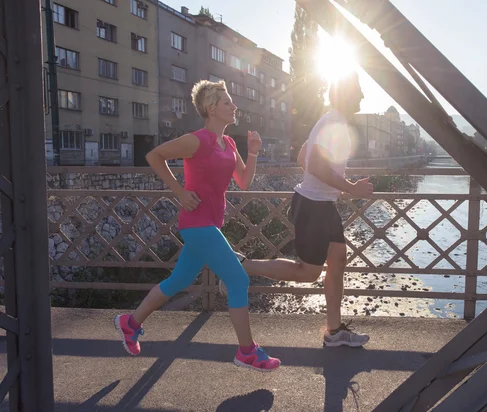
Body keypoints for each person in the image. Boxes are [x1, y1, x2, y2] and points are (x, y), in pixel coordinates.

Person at [114, 79, 280, 372]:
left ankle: (130, 322)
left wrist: (252, 151)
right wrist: (179, 191)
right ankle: (247, 352)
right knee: (238, 280)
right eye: (228, 102)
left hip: (210, 224)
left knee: (177, 282)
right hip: (197, 224)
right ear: (211, 107)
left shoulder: (228, 143)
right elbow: (154, 155)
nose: (234, 106)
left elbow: (244, 181)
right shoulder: (197, 140)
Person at [231, 71, 374, 347]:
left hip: (321, 204)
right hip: (313, 208)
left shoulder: (331, 121)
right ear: (345, 94)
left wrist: (322, 185)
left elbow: (303, 157)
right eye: (358, 91)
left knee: (338, 260)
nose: (362, 96)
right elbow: (317, 165)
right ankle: (241, 266)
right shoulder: (334, 123)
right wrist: (350, 187)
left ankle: (334, 331)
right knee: (308, 272)